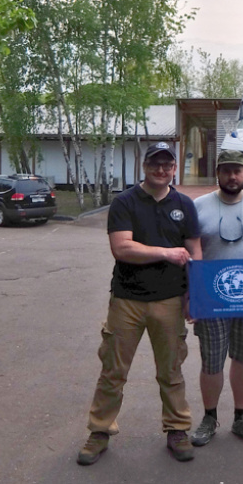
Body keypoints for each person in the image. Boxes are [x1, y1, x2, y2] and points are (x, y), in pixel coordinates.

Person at [76, 141, 201, 466]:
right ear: (145, 166)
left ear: (174, 168)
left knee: (171, 371)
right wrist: (165, 252)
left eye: (167, 164)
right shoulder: (125, 202)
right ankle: (99, 431)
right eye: (155, 163)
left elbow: (195, 251)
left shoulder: (185, 205)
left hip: (171, 301)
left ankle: (177, 429)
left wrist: (195, 296)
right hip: (127, 301)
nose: (161, 169)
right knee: (113, 371)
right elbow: (122, 248)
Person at [189, 150, 243, 448]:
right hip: (211, 298)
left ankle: (241, 417)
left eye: (237, 170)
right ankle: (209, 417)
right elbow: (190, 252)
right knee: (211, 362)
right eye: (226, 170)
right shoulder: (198, 206)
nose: (232, 176)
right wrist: (191, 296)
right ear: (217, 173)